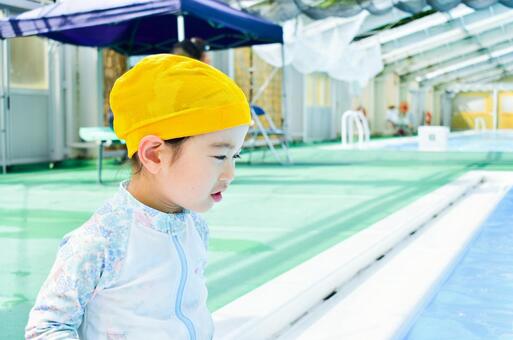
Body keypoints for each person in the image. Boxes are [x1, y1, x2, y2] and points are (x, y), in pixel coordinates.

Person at [25, 55, 251, 339]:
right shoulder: (102, 241)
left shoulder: (196, 227)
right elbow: (47, 327)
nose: (230, 172)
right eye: (220, 156)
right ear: (154, 154)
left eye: (236, 155)